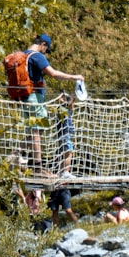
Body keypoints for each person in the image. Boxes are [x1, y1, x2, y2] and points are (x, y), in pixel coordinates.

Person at [20, 34, 85, 174]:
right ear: (43, 44)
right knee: (37, 130)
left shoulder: (23, 55)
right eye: (46, 49)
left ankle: (16, 154)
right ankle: (38, 168)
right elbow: (53, 74)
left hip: (24, 97)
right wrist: (74, 77)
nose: (46, 53)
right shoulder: (36, 56)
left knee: (34, 130)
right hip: (34, 97)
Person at [54, 92, 76, 177]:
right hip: (65, 135)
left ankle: (61, 172)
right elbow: (67, 102)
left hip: (64, 135)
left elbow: (70, 103)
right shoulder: (62, 109)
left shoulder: (67, 110)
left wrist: (72, 98)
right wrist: (65, 99)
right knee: (68, 152)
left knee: (64, 153)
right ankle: (66, 172)